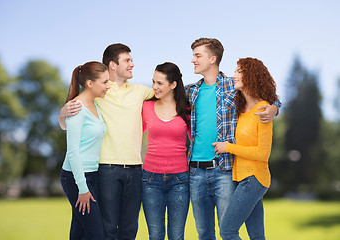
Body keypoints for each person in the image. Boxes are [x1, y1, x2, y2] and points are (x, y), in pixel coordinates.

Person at [185, 38, 281, 240]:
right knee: (204, 232)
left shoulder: (232, 85)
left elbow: (266, 98)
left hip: (224, 170)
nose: (192, 59)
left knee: (227, 229)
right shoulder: (190, 91)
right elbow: (164, 91)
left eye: (197, 55)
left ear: (212, 59)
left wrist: (274, 108)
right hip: (195, 170)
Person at [59, 44, 154, 240]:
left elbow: (168, 91)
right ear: (112, 65)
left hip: (134, 169)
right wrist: (62, 115)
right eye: (127, 60)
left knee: (127, 230)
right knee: (104, 230)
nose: (132, 65)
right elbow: (70, 124)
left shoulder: (140, 91)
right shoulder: (98, 92)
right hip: (105, 170)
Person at [212, 57, 279, 240]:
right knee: (257, 236)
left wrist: (229, 147)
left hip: (254, 178)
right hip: (244, 179)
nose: (234, 75)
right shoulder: (241, 108)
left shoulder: (262, 110)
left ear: (251, 76)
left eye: (238, 71)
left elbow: (262, 153)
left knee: (227, 231)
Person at [60, 61, 109, 240]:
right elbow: (72, 151)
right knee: (95, 234)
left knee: (80, 232)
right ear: (90, 83)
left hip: (92, 175)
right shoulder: (77, 107)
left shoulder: (94, 105)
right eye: (104, 82)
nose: (108, 86)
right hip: (75, 178)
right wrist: (82, 188)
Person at [141, 62, 191, 240]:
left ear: (173, 84)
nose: (155, 87)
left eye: (160, 83)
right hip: (150, 180)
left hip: (180, 180)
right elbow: (132, 137)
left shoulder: (186, 109)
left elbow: (196, 141)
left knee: (177, 236)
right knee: (155, 235)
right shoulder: (146, 107)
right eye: (153, 81)